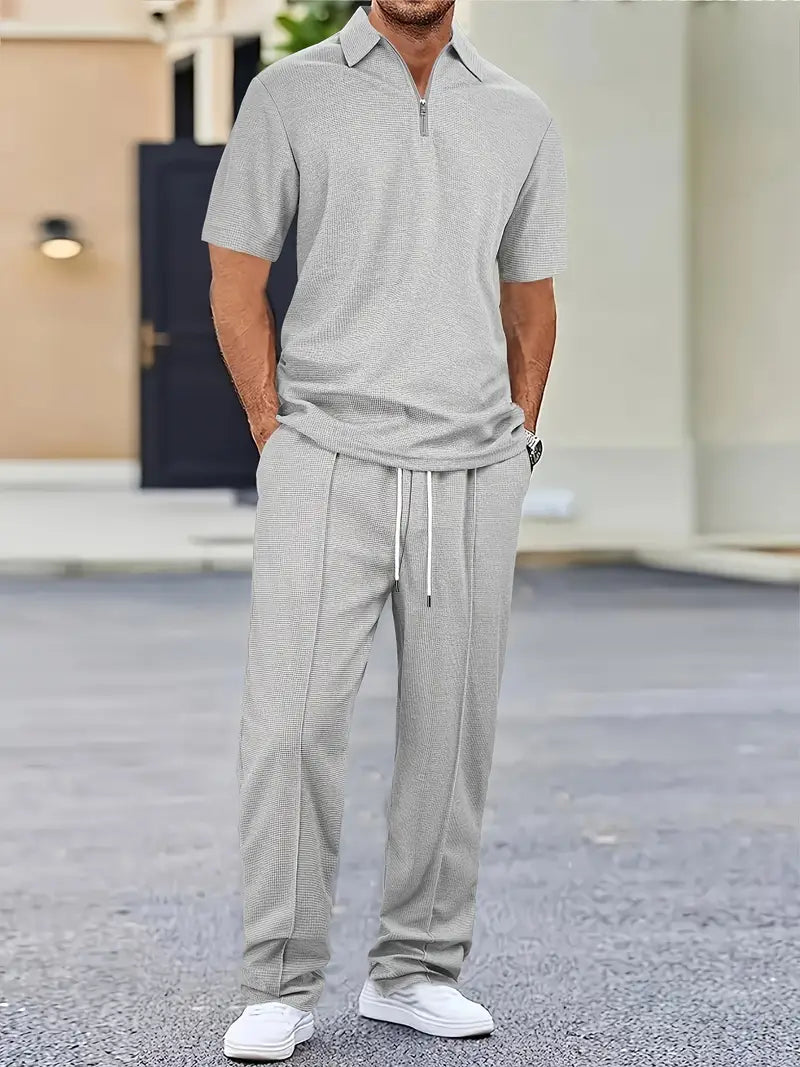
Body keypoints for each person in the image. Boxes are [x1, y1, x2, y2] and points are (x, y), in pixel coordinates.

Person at [202, 0, 566, 1059]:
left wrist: (520, 435)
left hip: (473, 463)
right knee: (290, 724)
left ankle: (416, 970)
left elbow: (530, 296)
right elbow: (235, 276)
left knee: (453, 733)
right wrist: (274, 431)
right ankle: (278, 981)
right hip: (326, 453)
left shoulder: (518, 113)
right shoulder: (289, 94)